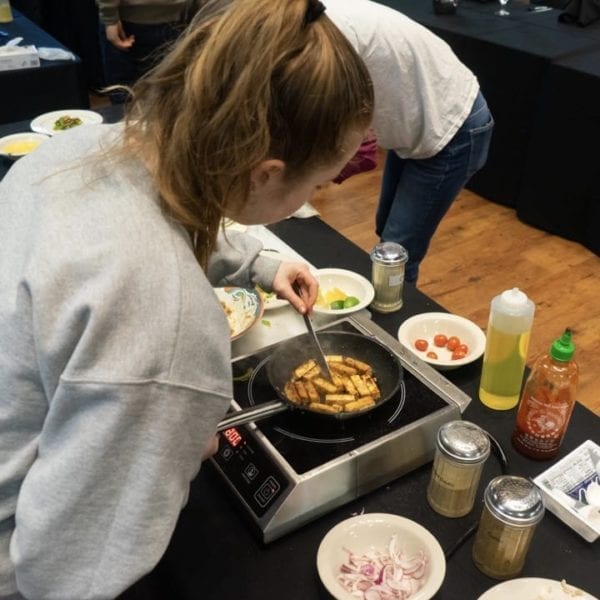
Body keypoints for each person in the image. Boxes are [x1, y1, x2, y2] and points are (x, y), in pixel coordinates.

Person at [0, 1, 373, 598]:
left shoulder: (76, 151)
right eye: (319, 183)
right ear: (266, 173)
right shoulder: (167, 326)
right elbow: (65, 573)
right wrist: (165, 431)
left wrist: (259, 262)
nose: (319, 192)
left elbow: (165, 209)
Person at [324, 0, 494, 283]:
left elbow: (352, 140)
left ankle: (389, 325)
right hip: (422, 122)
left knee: (396, 253)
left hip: (452, 127)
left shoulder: (329, 35)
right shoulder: (315, 20)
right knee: (387, 233)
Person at [97, 0, 189, 102]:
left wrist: (109, 17)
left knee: (126, 98)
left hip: (133, 18)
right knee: (169, 98)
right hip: (133, 19)